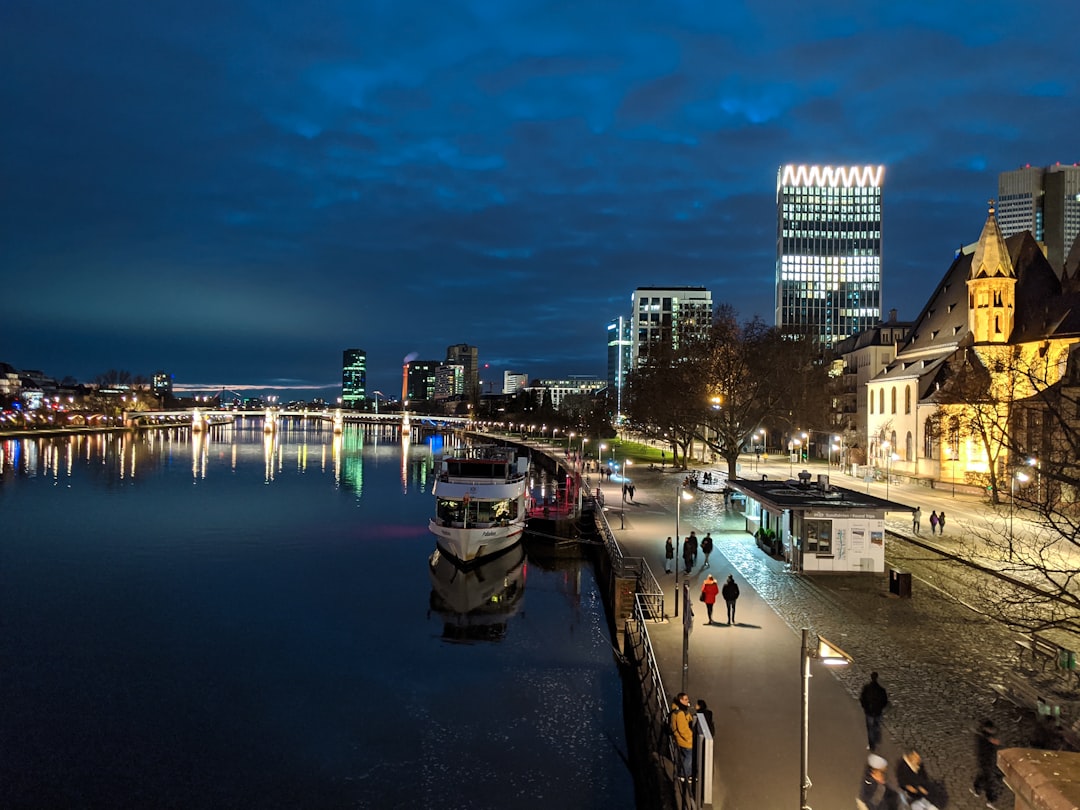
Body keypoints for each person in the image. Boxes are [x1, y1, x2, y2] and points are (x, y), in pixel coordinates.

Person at [970, 718, 1001, 808]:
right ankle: (991, 799)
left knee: (984, 776)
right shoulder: (983, 738)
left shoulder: (983, 736)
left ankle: (977, 788)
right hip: (985, 760)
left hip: (986, 760)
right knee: (988, 778)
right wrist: (991, 741)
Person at [859, 671, 889, 751]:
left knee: (870, 728)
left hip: (869, 711)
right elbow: (885, 701)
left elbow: (862, 699)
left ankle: (872, 744)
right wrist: (881, 708)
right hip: (878, 711)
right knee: (877, 726)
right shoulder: (881, 689)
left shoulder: (866, 688)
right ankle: (876, 739)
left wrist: (865, 707)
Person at [669, 692, 695, 782]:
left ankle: (687, 773)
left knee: (686, 756)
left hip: (680, 739)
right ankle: (684, 774)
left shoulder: (678, 711)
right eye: (686, 699)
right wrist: (690, 738)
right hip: (685, 741)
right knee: (689, 757)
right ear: (681, 700)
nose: (688, 701)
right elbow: (682, 729)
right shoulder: (680, 713)